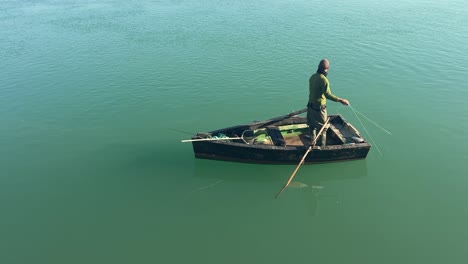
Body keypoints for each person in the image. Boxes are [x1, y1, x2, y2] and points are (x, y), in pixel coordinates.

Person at [307, 59, 349, 145]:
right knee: (323, 128)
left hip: (310, 107)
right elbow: (327, 95)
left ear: (318, 67)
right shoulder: (324, 80)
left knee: (312, 125)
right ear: (327, 69)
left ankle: (312, 142)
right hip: (319, 109)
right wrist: (341, 100)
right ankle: (322, 147)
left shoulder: (312, 77)